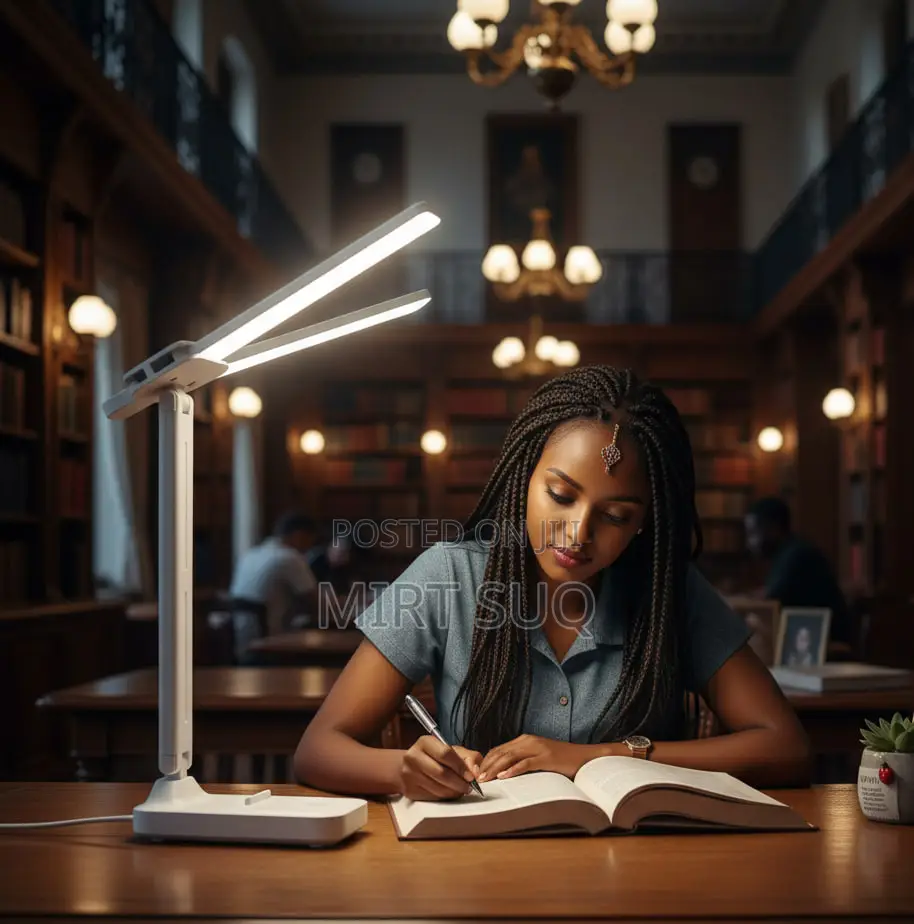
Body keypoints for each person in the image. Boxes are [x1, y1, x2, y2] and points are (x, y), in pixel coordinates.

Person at [294, 367, 812, 801]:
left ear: (644, 524)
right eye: (561, 495)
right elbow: (317, 750)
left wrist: (596, 757)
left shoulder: (666, 589)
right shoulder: (450, 575)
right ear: (524, 477)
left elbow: (785, 747)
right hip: (479, 874)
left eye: (614, 515)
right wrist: (400, 770)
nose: (578, 534)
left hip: (642, 873)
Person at [744, 497, 851, 647]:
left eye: (753, 533)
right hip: (808, 639)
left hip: (825, 644)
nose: (749, 542)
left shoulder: (796, 555)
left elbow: (769, 601)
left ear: (773, 528)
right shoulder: (788, 553)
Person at [229, 511, 319, 660]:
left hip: (241, 643)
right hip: (273, 644)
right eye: (310, 540)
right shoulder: (290, 557)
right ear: (299, 535)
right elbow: (315, 602)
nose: (309, 547)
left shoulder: (251, 554)